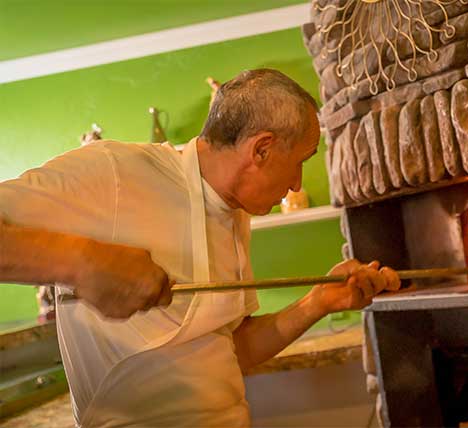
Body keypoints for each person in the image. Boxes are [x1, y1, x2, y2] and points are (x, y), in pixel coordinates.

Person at [0, 69, 400, 427]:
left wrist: (317, 303)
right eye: (300, 161)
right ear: (261, 149)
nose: (297, 184)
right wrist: (83, 262)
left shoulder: (234, 213)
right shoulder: (115, 172)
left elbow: (231, 352)